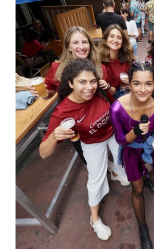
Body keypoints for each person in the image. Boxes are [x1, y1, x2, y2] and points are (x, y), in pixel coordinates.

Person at [29, 26, 128, 186]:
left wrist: (106, 86)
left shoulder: (99, 67)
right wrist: (41, 92)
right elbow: (49, 91)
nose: (81, 46)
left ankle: (115, 168)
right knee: (86, 153)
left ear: (90, 44)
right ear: (68, 46)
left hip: (101, 118)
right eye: (75, 42)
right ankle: (106, 169)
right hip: (75, 121)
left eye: (84, 42)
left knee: (113, 146)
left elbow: (110, 96)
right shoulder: (56, 68)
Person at [39, 58, 117, 241]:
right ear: (70, 83)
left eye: (92, 81)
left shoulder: (98, 92)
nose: (89, 87)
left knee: (123, 163)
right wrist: (54, 136)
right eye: (82, 82)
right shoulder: (62, 111)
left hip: (113, 134)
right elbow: (43, 153)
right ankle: (95, 219)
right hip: (92, 144)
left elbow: (114, 105)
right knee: (96, 179)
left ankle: (115, 173)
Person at [110, 62, 154, 249]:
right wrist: (135, 131)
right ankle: (142, 227)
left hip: (153, 144)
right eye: (137, 83)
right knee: (137, 190)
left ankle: (147, 177)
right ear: (129, 83)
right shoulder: (117, 108)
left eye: (148, 84)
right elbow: (120, 140)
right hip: (132, 150)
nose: (143, 89)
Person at [98, 24, 136, 99]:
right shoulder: (98, 60)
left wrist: (130, 82)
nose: (115, 40)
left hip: (122, 98)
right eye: (111, 36)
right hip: (104, 99)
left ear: (122, 42)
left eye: (119, 38)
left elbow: (134, 84)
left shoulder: (127, 60)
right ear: (105, 40)